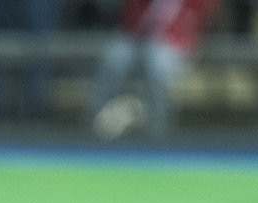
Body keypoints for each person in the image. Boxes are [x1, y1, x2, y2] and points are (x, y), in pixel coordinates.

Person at [89, 0, 220, 138]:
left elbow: (204, 23)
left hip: (178, 46)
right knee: (116, 56)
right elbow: (131, 23)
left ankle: (156, 127)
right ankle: (98, 119)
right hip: (140, 41)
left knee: (155, 61)